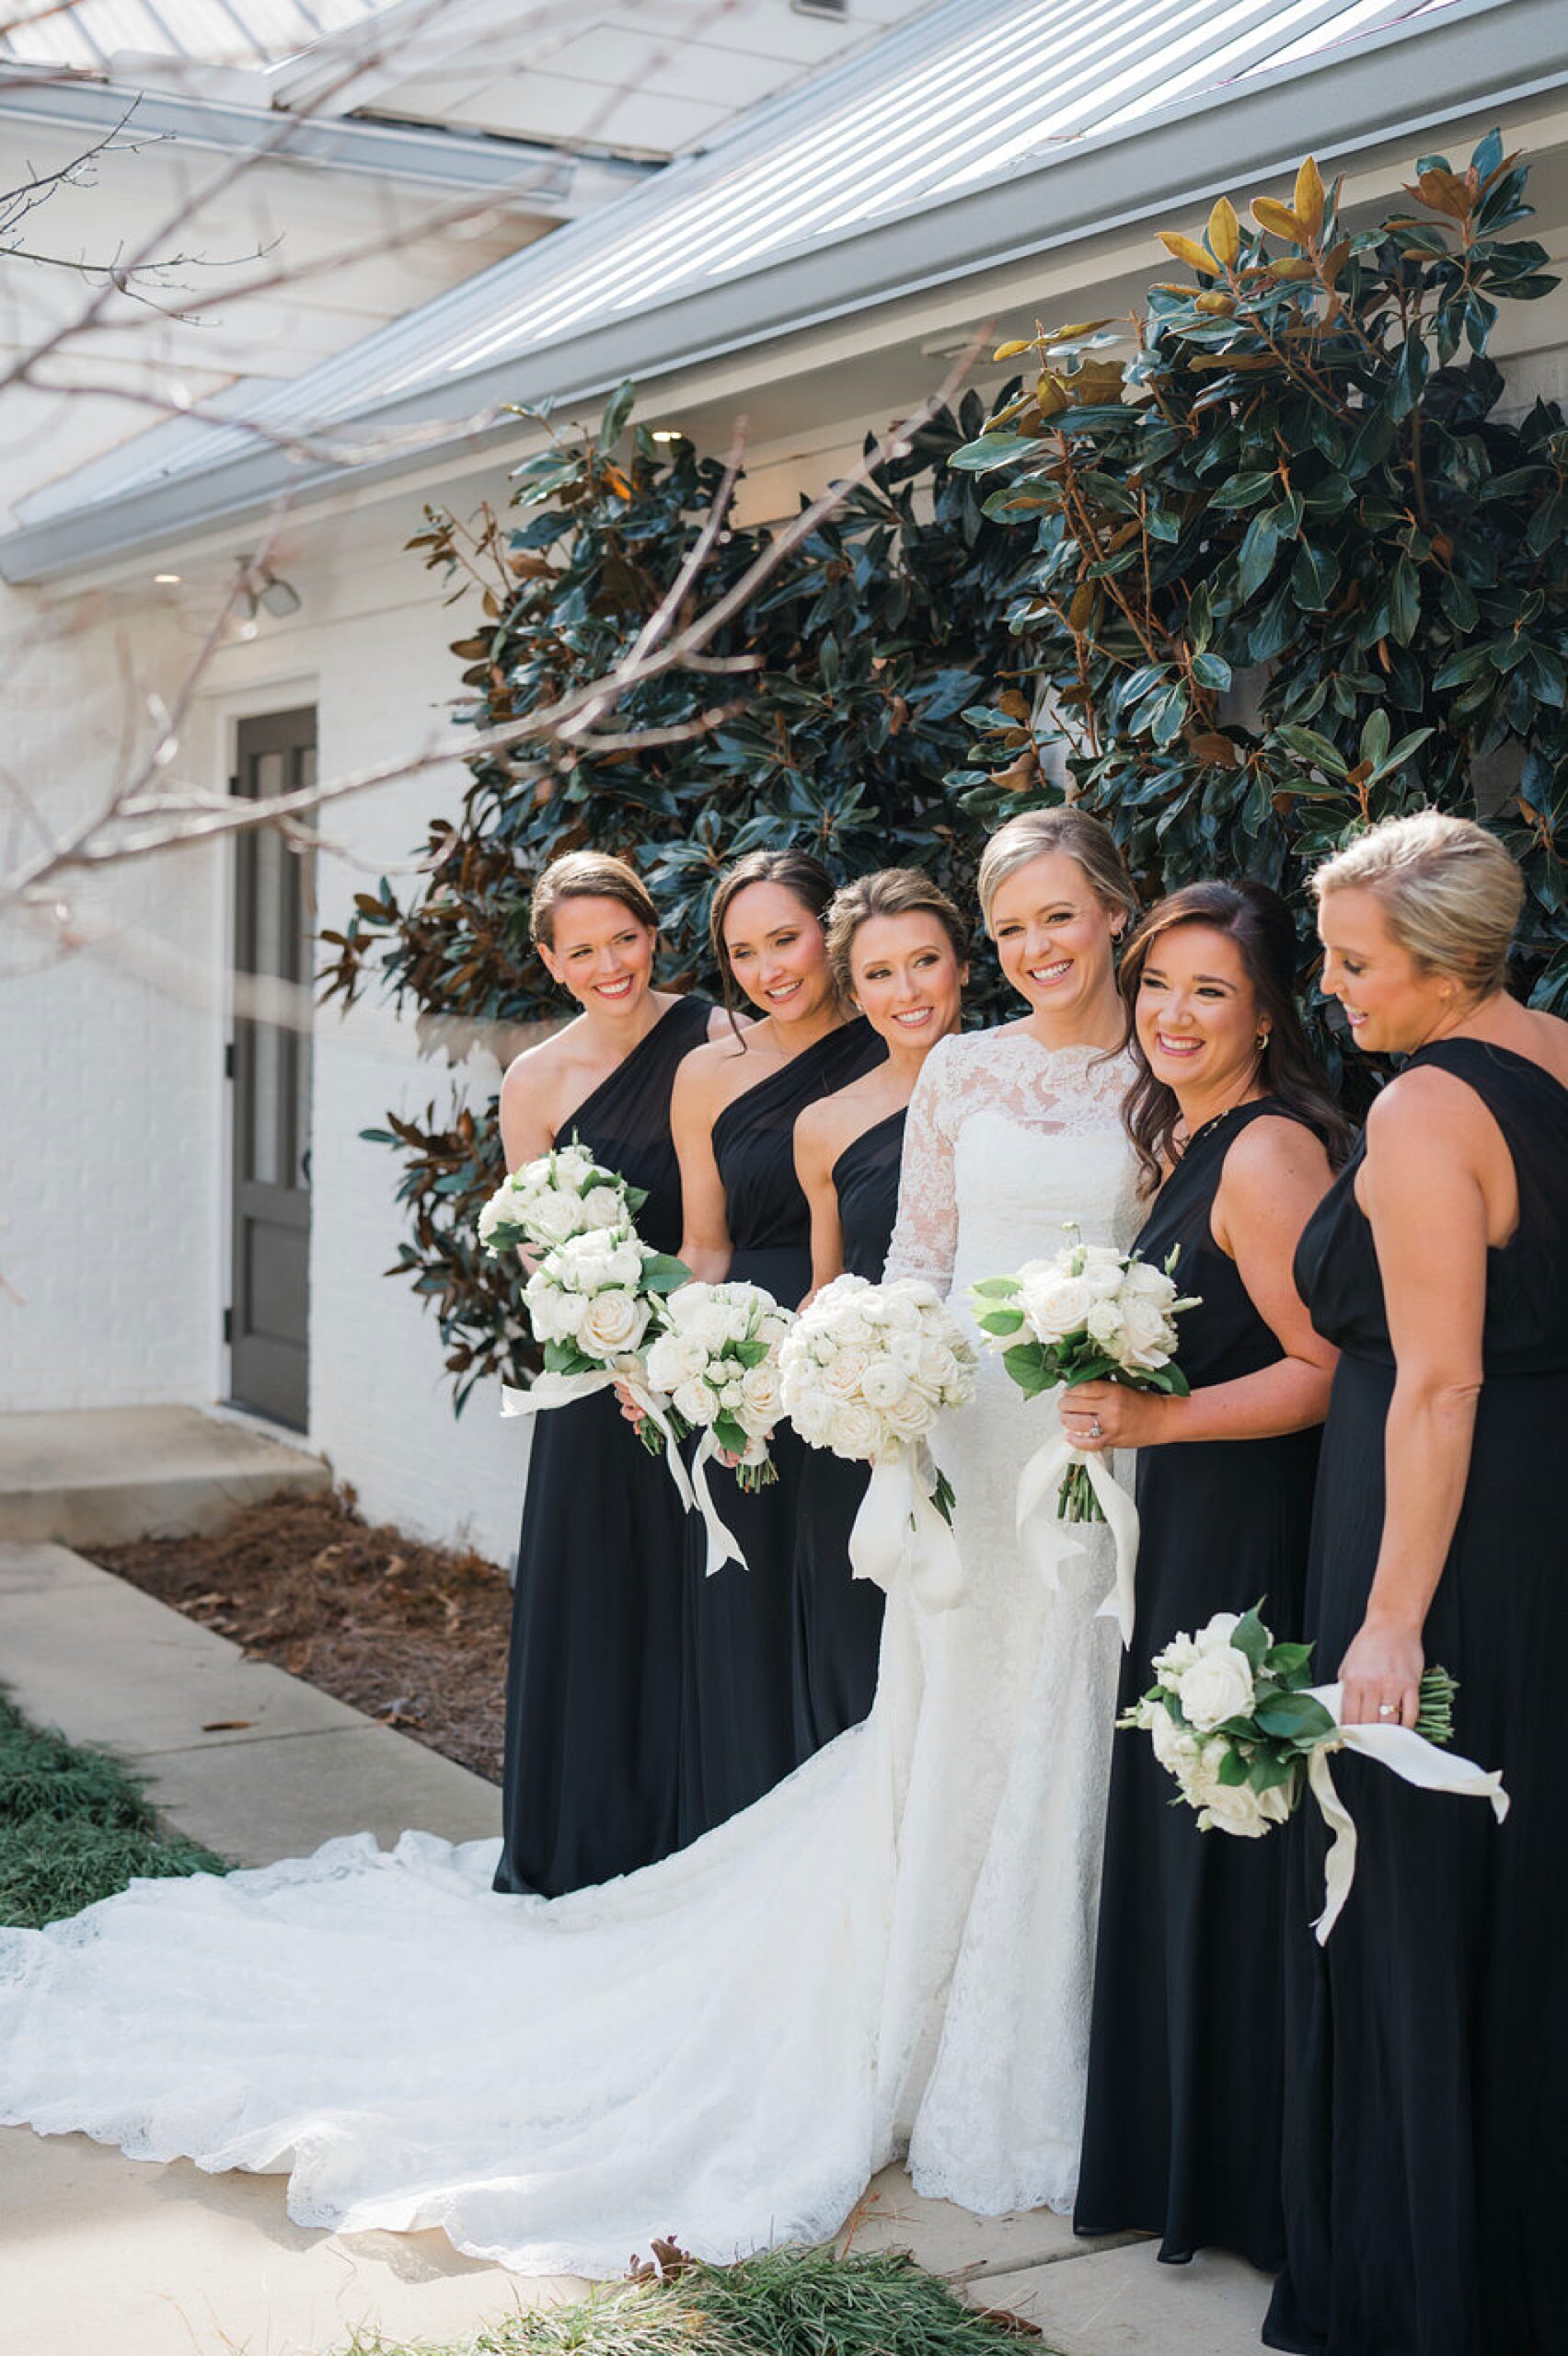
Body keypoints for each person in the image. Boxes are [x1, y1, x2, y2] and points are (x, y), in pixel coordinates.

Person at [0, 813, 1143, 2274]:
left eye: (813, 945)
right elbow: (804, 1251)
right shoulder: (779, 1088)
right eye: (764, 949)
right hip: (863, 1390)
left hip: (1038, 1423)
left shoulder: (1044, 1069)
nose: (815, 973)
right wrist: (708, 1350)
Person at [1263, 814, 1568, 2356]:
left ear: (1444, 966)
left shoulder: (1424, 1112)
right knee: (1529, 1893)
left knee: (1417, 1881)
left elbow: (1432, 1385)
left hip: (1437, 1536)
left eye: (1350, 960)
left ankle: (1427, 2291)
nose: (1327, 988)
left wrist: (1386, 1621)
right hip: (1540, 1519)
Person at [1066, 880, 1345, 2269]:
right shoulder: (1187, 1135)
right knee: (1198, 1826)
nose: (1173, 1014)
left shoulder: (1267, 1153)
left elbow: (1323, 1368)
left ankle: (1256, 2184)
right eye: (1157, 983)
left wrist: (1158, 1417)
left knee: (1237, 1829)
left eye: (1210, 992)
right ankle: (1203, 2159)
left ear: (1270, 1009)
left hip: (1249, 1533)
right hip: (1185, 1523)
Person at [874, 804, 1142, 2213]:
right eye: (1013, 926)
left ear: (1113, 910)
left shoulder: (1172, 1059)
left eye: (1060, 915)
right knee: (961, 1700)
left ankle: (1052, 2039)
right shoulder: (961, 1071)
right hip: (967, 1437)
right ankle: (914, 2020)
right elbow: (919, 1251)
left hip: (1095, 1442)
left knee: (1066, 1703)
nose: (1037, 947)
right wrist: (890, 1383)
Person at [488, 852, 721, 1897]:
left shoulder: (718, 1034)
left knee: (697, 1599)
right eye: (580, 950)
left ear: (652, 931)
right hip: (594, 1376)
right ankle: (578, 1840)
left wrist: (687, 1350)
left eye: (623, 938)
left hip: (712, 1358)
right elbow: (538, 1246)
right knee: (596, 1600)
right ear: (549, 962)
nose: (609, 964)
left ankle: (691, 1831)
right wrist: (606, 1337)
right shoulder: (535, 1080)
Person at [668, 849, 885, 1842]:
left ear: (830, 932)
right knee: (745, 1613)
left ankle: (854, 1846)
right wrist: (671, 1365)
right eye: (742, 952)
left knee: (854, 1602)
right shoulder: (707, 1074)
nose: (769, 969)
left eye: (785, 939)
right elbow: (703, 1247)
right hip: (745, 1369)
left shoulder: (902, 1041)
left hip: (871, 1358)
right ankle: (743, 1847)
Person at [790, 869, 969, 1750]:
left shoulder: (1026, 1085)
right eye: (880, 974)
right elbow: (827, 1293)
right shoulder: (825, 1125)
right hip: (882, 1426)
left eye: (925, 962)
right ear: (853, 994)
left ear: (962, 966)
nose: (907, 992)